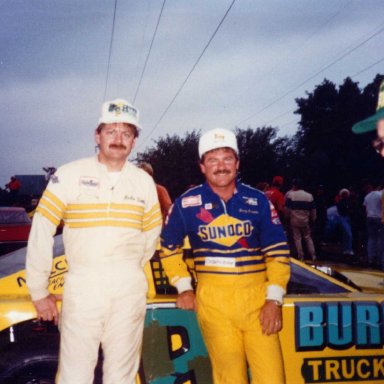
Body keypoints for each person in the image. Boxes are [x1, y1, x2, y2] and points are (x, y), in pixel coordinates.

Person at [26, 99, 162, 384]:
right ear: (96, 135)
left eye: (126, 133)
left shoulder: (144, 182)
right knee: (75, 374)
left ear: (134, 142)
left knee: (122, 376)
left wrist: (125, 267)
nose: (118, 139)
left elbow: (150, 236)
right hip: (84, 286)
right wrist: (38, 290)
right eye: (111, 131)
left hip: (129, 288)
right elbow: (42, 228)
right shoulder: (70, 174)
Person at [160, 128, 290, 384]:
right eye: (212, 159)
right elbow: (168, 248)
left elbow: (277, 253)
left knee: (273, 378)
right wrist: (184, 287)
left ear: (237, 163)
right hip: (214, 302)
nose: (221, 166)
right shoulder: (187, 203)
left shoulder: (258, 200)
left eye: (227, 158)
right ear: (202, 166)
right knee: (229, 378)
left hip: (257, 300)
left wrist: (274, 300)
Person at [285, 178, 317, 261]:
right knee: (308, 237)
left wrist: (287, 217)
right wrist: (313, 219)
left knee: (297, 238)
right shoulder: (309, 196)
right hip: (305, 221)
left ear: (295, 185)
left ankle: (300, 256)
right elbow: (313, 210)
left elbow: (287, 209)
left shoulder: (291, 195)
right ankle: (313, 255)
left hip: (294, 220)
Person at [363, 182, 384, 268]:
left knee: (371, 238)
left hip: (369, 218)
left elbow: (365, 208)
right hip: (379, 218)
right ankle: (379, 259)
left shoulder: (367, 196)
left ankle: (371, 258)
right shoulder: (380, 195)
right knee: (380, 239)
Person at [336, 188, 354, 256]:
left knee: (346, 235)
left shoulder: (349, 202)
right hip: (343, 218)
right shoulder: (340, 202)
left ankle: (345, 249)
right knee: (348, 234)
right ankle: (349, 249)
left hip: (348, 218)